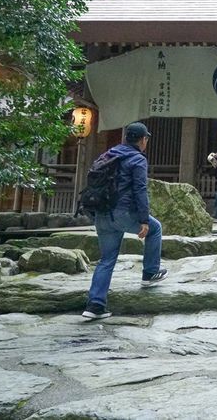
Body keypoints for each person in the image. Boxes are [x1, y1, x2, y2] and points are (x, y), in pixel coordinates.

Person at [82, 121, 168, 320]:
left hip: (101, 214)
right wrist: (144, 219)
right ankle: (150, 273)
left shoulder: (109, 154)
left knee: (106, 260)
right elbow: (140, 189)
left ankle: (95, 305)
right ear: (143, 140)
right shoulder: (137, 159)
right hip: (122, 213)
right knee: (155, 229)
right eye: (146, 139)